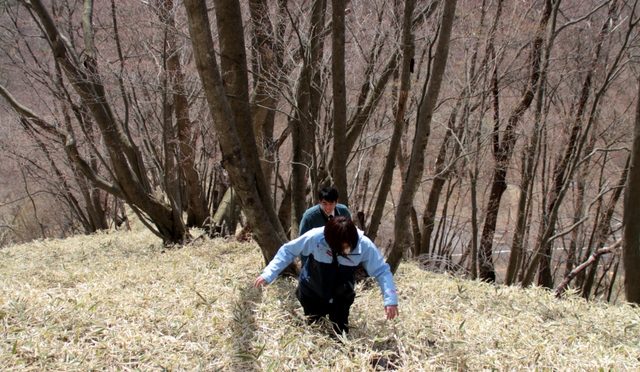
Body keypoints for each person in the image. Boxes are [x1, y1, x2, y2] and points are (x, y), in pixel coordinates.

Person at [254, 216, 398, 335]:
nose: (345, 251)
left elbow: (381, 270)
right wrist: (269, 273)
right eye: (340, 248)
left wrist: (390, 299)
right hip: (313, 290)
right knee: (314, 330)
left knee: (340, 334)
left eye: (348, 247)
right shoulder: (316, 237)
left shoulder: (364, 245)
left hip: (341, 295)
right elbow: (288, 251)